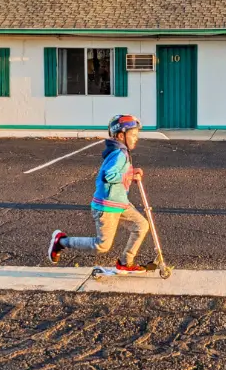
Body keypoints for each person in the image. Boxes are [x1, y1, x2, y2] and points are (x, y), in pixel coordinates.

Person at [47, 114, 153, 273]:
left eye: (137, 135)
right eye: (133, 134)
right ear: (120, 135)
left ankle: (125, 262)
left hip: (119, 203)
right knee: (102, 246)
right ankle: (61, 242)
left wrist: (131, 171)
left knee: (141, 225)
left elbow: (119, 173)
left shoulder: (121, 152)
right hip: (107, 206)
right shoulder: (118, 153)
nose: (136, 138)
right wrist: (130, 175)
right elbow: (109, 175)